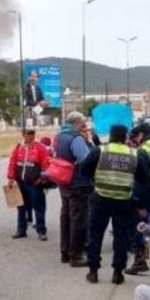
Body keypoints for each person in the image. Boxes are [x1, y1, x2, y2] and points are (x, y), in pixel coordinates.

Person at [79, 124, 139, 284]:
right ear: (125, 137)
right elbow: (141, 177)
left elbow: (83, 170)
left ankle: (93, 272)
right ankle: (118, 273)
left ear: (111, 136)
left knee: (95, 236)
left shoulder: (100, 150)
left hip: (101, 198)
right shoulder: (133, 153)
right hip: (124, 200)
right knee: (121, 238)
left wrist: (95, 180)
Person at [56, 111, 94, 266]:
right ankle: (76, 255)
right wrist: (89, 143)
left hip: (63, 180)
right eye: (83, 124)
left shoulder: (59, 136)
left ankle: (65, 252)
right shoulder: (76, 138)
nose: (84, 128)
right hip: (77, 183)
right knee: (78, 220)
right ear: (77, 123)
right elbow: (86, 160)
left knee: (65, 218)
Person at [7, 128, 51, 240]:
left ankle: (41, 231)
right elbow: (12, 162)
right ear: (23, 135)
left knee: (39, 207)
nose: (30, 136)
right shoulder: (18, 147)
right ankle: (21, 230)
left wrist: (42, 178)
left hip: (35, 183)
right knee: (21, 207)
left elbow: (46, 163)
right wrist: (11, 177)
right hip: (21, 182)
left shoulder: (40, 147)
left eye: (32, 134)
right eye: (28, 134)